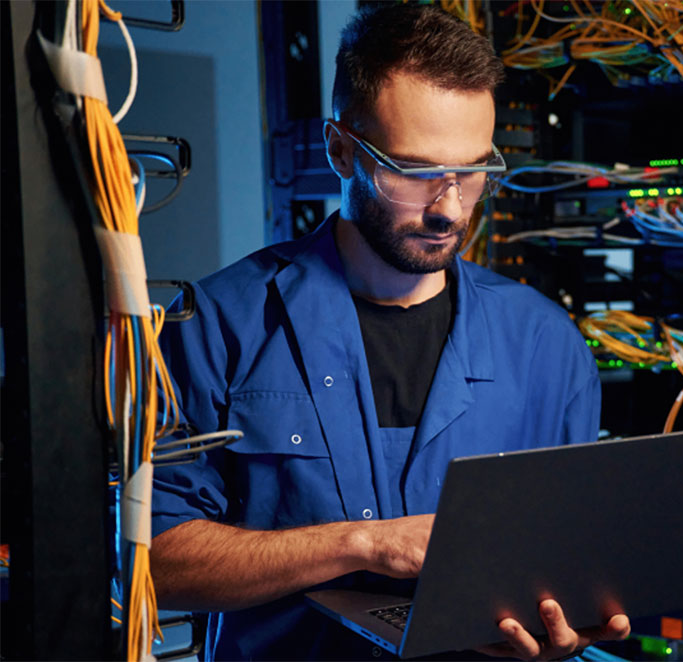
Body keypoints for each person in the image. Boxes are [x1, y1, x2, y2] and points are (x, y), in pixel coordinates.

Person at [149, 4, 629, 659]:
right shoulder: (219, 324)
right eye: (417, 171)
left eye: (472, 172)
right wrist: (362, 544)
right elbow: (154, 560)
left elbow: (566, 561)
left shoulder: (545, 346)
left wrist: (559, 630)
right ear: (339, 148)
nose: (450, 209)